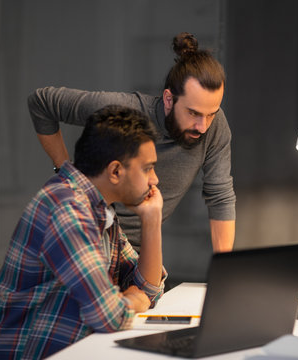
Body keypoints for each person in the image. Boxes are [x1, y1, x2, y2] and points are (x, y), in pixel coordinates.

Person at [0, 105, 167, 359]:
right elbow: (110, 316)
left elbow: (148, 288)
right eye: (147, 168)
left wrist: (152, 220)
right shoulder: (68, 210)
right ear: (115, 171)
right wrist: (134, 300)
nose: (154, 179)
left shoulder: (99, 210)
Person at [28, 32, 236, 253]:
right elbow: (41, 102)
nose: (203, 126)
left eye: (211, 114)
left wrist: (222, 271)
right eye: (193, 113)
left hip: (136, 254)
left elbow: (220, 197)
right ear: (168, 99)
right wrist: (65, 172)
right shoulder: (124, 112)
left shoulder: (213, 127)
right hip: (89, 242)